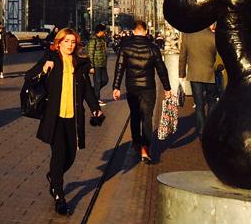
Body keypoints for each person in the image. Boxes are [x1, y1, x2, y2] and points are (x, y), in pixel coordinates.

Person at [35, 28, 102, 216]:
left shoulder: (80, 64)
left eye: (73, 42)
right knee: (58, 153)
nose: (70, 45)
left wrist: (95, 107)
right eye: (66, 41)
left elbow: (87, 89)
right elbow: (29, 78)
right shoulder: (51, 60)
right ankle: (59, 195)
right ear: (59, 43)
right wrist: (43, 68)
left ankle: (53, 176)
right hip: (54, 117)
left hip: (73, 117)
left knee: (71, 154)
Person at [112, 20, 172, 164]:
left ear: (133, 31)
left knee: (135, 115)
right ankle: (145, 148)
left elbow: (119, 68)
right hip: (148, 88)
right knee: (147, 117)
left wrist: (116, 87)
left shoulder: (125, 47)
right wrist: (167, 88)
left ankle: (135, 143)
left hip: (132, 88)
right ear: (146, 31)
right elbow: (161, 68)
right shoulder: (153, 48)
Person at [178, 25, 218, 140]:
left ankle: (201, 131)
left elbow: (182, 56)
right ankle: (211, 127)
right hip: (210, 74)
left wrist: (181, 75)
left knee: (199, 104)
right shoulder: (213, 36)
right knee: (212, 101)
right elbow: (218, 56)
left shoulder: (188, 36)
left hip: (194, 74)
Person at [85, 24, 109, 105]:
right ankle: (96, 99)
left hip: (103, 64)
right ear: (100, 31)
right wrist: (91, 66)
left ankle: (93, 91)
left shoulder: (102, 39)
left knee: (105, 80)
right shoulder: (93, 40)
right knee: (97, 82)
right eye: (104, 31)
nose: (105, 33)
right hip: (96, 64)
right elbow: (90, 53)